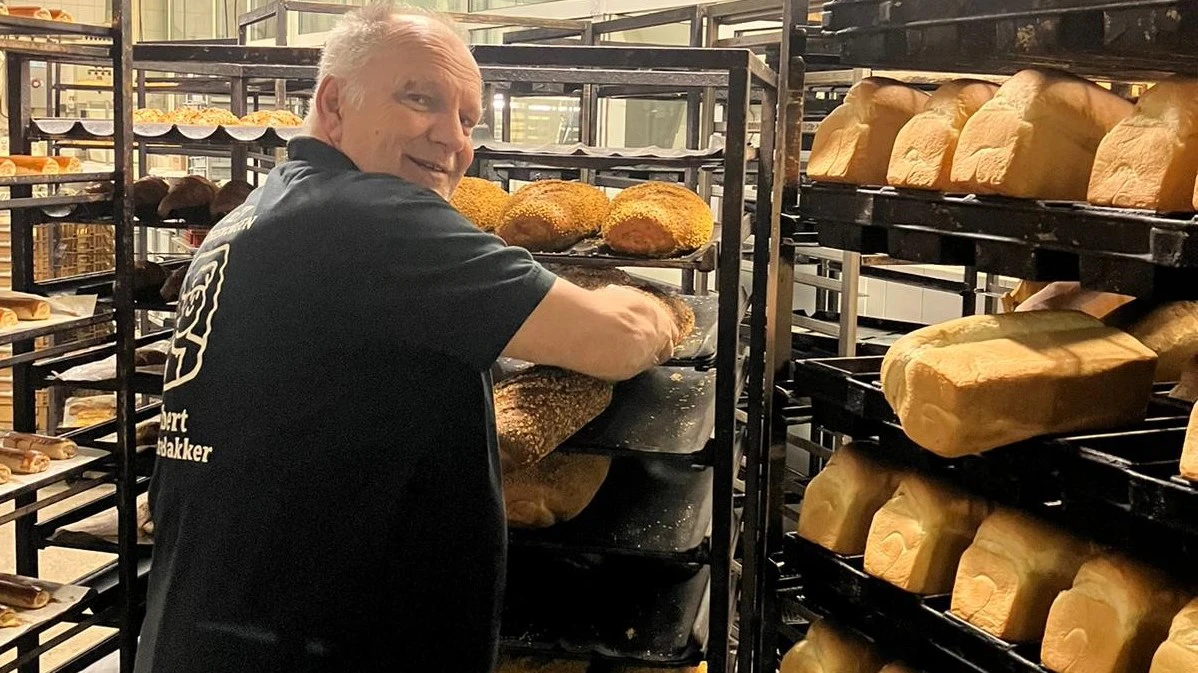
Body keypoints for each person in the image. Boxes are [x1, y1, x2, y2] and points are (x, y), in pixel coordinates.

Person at [134, 5, 679, 673]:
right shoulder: (372, 215)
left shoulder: (252, 215)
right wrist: (652, 305)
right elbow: (617, 340)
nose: (452, 138)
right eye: (420, 99)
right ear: (334, 103)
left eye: (468, 119)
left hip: (212, 625)